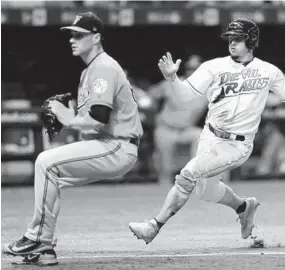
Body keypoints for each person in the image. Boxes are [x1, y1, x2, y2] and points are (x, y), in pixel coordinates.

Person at [3, 12, 143, 266]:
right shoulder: (90, 70)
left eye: (79, 34)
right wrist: (72, 118)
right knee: (51, 174)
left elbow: (99, 117)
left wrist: (68, 118)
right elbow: (91, 123)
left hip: (118, 146)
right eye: (71, 34)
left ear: (97, 37)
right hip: (110, 144)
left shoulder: (102, 67)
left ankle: (35, 237)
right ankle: (43, 250)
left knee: (45, 162)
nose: (72, 39)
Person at [129, 18, 285, 245]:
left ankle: (154, 226)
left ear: (251, 40)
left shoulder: (269, 71)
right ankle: (244, 207)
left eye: (238, 39)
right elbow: (184, 95)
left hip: (236, 144)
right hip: (209, 136)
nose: (232, 43)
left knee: (189, 174)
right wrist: (172, 77)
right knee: (206, 191)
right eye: (230, 38)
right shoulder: (213, 66)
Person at [148, 54, 208, 183]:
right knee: (165, 169)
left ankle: (194, 177)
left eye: (196, 69)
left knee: (202, 136)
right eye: (190, 68)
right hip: (166, 129)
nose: (192, 72)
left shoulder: (207, 91)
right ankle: (160, 193)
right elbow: (150, 94)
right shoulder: (172, 82)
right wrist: (153, 113)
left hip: (186, 130)